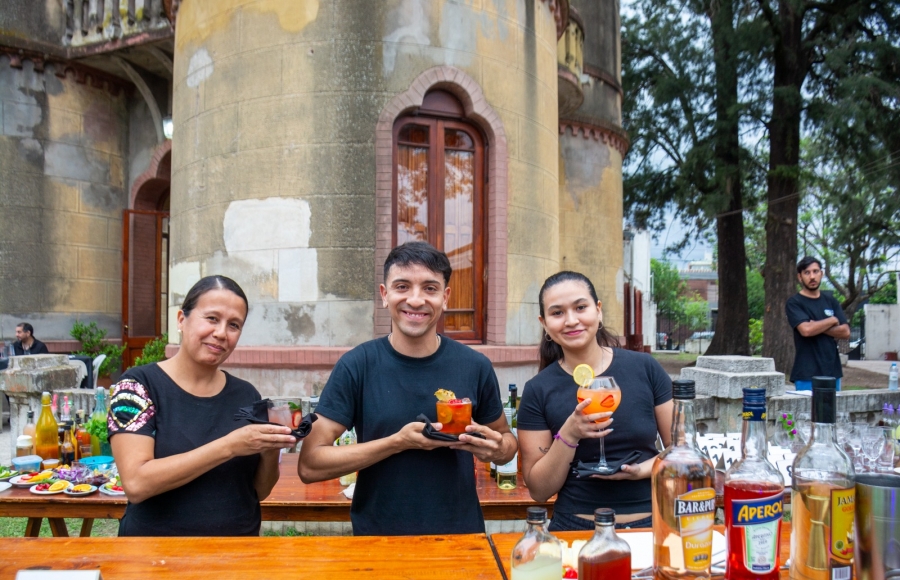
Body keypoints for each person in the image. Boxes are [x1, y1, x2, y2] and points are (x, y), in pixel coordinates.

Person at [298, 241, 517, 536]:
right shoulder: (357, 365)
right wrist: (398, 442)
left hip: (460, 537)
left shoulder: (474, 365)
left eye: (429, 288)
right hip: (378, 540)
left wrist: (495, 449)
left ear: (445, 297)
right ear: (385, 295)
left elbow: (506, 445)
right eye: (402, 286)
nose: (415, 300)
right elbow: (310, 464)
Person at [107, 275, 297, 536]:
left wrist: (269, 449)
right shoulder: (137, 388)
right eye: (212, 318)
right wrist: (229, 446)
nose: (221, 333)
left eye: (234, 325)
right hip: (156, 557)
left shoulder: (247, 394)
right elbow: (137, 483)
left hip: (236, 555)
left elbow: (259, 491)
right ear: (181, 320)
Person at [516, 271, 673, 532]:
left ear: (598, 311)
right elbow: (539, 491)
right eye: (557, 313)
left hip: (651, 524)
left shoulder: (644, 368)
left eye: (581, 307)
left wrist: (643, 470)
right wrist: (569, 433)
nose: (571, 320)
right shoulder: (537, 390)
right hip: (575, 528)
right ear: (544, 323)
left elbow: (683, 452)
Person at [786, 256, 850, 391]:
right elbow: (806, 330)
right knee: (806, 412)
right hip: (806, 373)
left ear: (821, 273)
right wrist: (832, 321)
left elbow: (845, 332)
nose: (812, 276)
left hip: (832, 372)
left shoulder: (831, 300)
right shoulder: (795, 303)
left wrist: (817, 325)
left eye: (815, 271)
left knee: (832, 412)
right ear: (800, 277)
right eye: (807, 273)